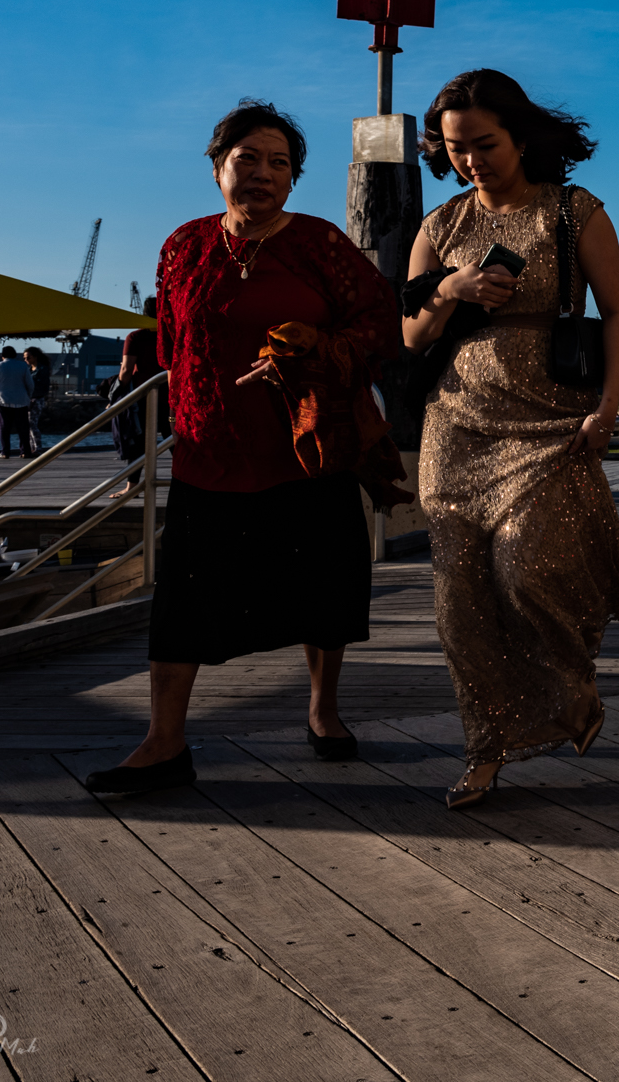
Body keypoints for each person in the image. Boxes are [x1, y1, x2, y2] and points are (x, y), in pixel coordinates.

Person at [81, 100, 405, 797]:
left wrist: (316, 347)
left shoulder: (318, 244)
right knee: (183, 604)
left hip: (305, 448)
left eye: (280, 164)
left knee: (323, 587)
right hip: (210, 450)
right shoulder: (184, 246)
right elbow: (171, 341)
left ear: (294, 178)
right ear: (218, 166)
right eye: (248, 160)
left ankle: (323, 712)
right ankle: (163, 742)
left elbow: (380, 326)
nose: (263, 174)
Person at [404, 68, 619, 810]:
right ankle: (485, 751)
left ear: (520, 135)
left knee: (529, 570)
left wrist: (607, 407)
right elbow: (410, 336)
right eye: (455, 148)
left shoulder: (573, 211)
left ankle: (573, 687)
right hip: (457, 425)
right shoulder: (440, 227)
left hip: (549, 421)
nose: (471, 160)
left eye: (484, 143)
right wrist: (451, 289)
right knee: (458, 605)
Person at [108, 297, 164, 489]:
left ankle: (131, 486)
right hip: (170, 393)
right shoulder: (171, 334)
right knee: (173, 437)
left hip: (143, 395)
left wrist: (117, 394)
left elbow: (126, 370)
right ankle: (189, 486)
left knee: (139, 441)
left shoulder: (135, 337)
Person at [0, 346, 33, 460]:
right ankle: (25, 452)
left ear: (2, 356)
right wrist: (28, 397)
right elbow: (30, 384)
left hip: (3, 401)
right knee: (23, 428)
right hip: (21, 401)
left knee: (4, 428)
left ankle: (5, 452)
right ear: (15, 355)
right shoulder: (23, 366)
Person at [22, 346, 50, 455]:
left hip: (37, 399)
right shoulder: (28, 370)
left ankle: (38, 448)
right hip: (28, 399)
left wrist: (35, 397)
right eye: (25, 358)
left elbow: (43, 386)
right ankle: (32, 447)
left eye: (28, 358)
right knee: (28, 425)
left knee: (32, 424)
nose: (26, 360)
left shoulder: (42, 369)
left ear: (35, 357)